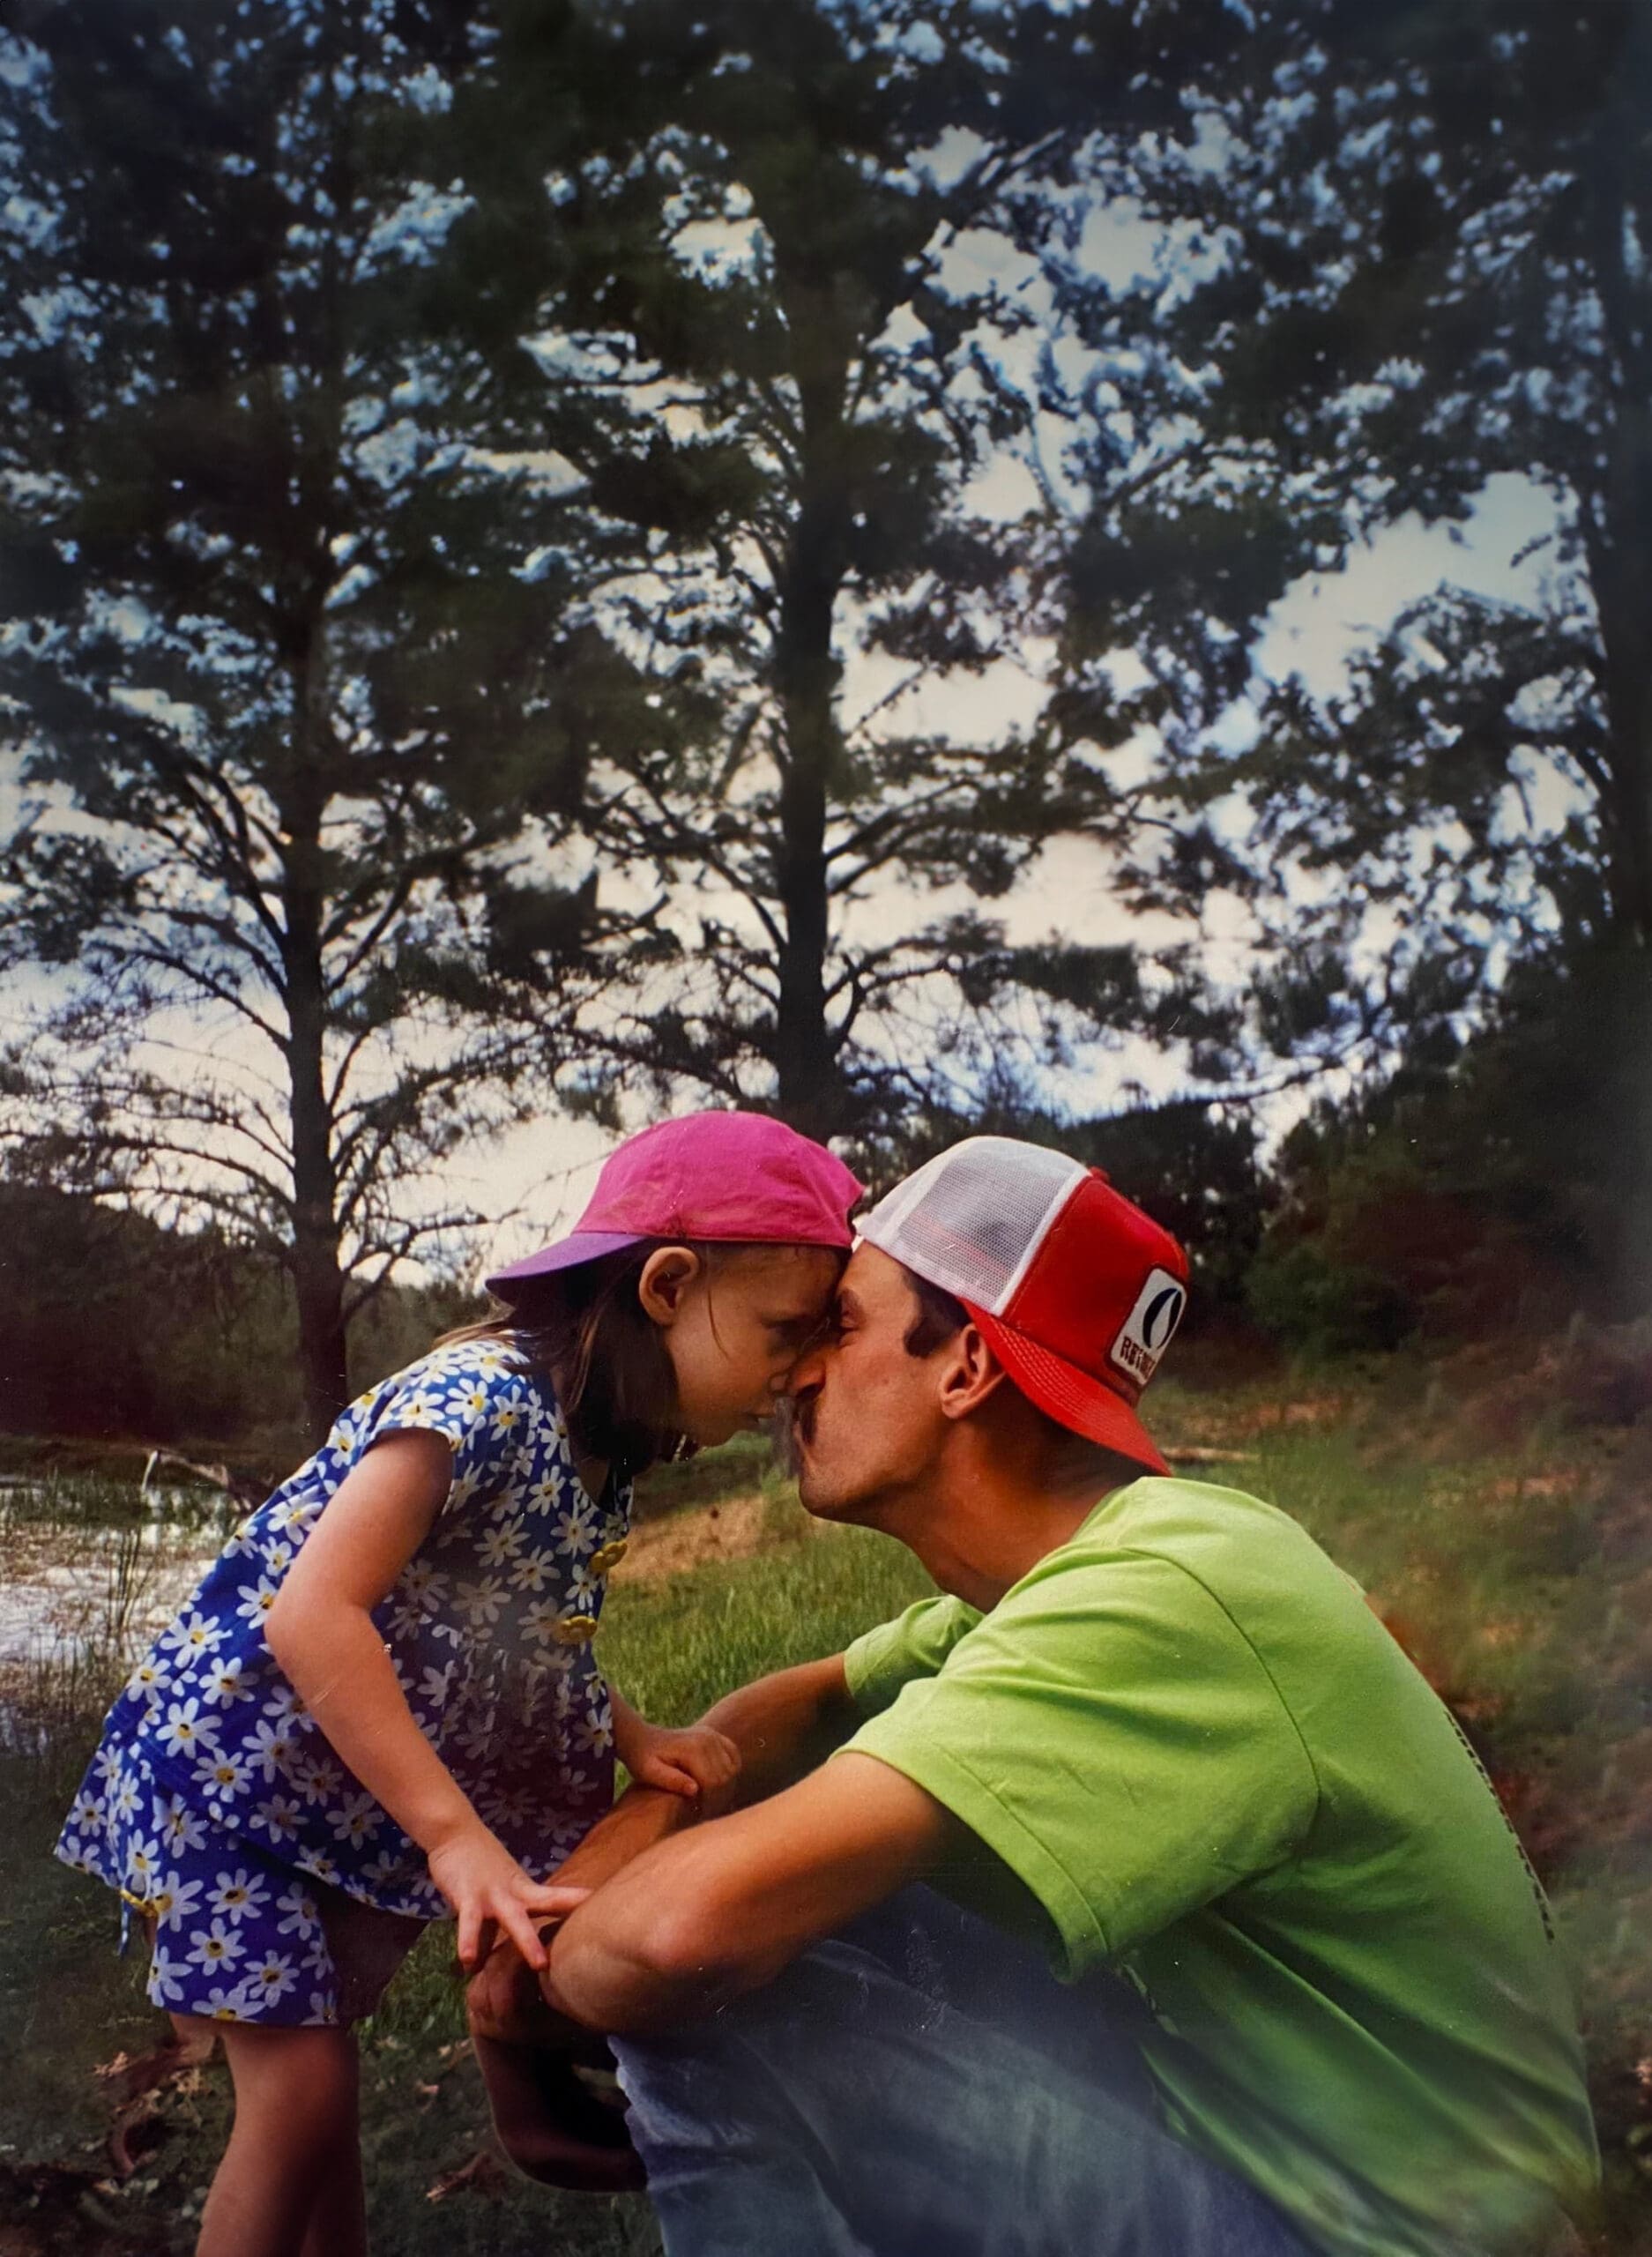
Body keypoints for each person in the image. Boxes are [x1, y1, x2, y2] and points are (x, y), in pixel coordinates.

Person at [475, 1135, 1600, 2257]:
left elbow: (674, 1935)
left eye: (841, 1325)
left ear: (964, 1364)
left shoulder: (1162, 1595)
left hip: (1365, 2234)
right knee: (802, 1892)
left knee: (716, 1985)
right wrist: (587, 1883)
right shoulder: (1074, 1575)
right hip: (1257, 2148)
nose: (795, 1372)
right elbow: (787, 1713)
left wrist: (523, 1995)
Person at [54, 1109, 861, 2257]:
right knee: (302, 2095)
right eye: (785, 1330)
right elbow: (312, 1611)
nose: (799, 1374)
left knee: (315, 2090)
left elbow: (524, 1627)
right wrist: (453, 1837)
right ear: (669, 1286)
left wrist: (629, 1733)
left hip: (324, 1800)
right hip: (224, 1782)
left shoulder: (600, 1454)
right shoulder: (476, 1400)